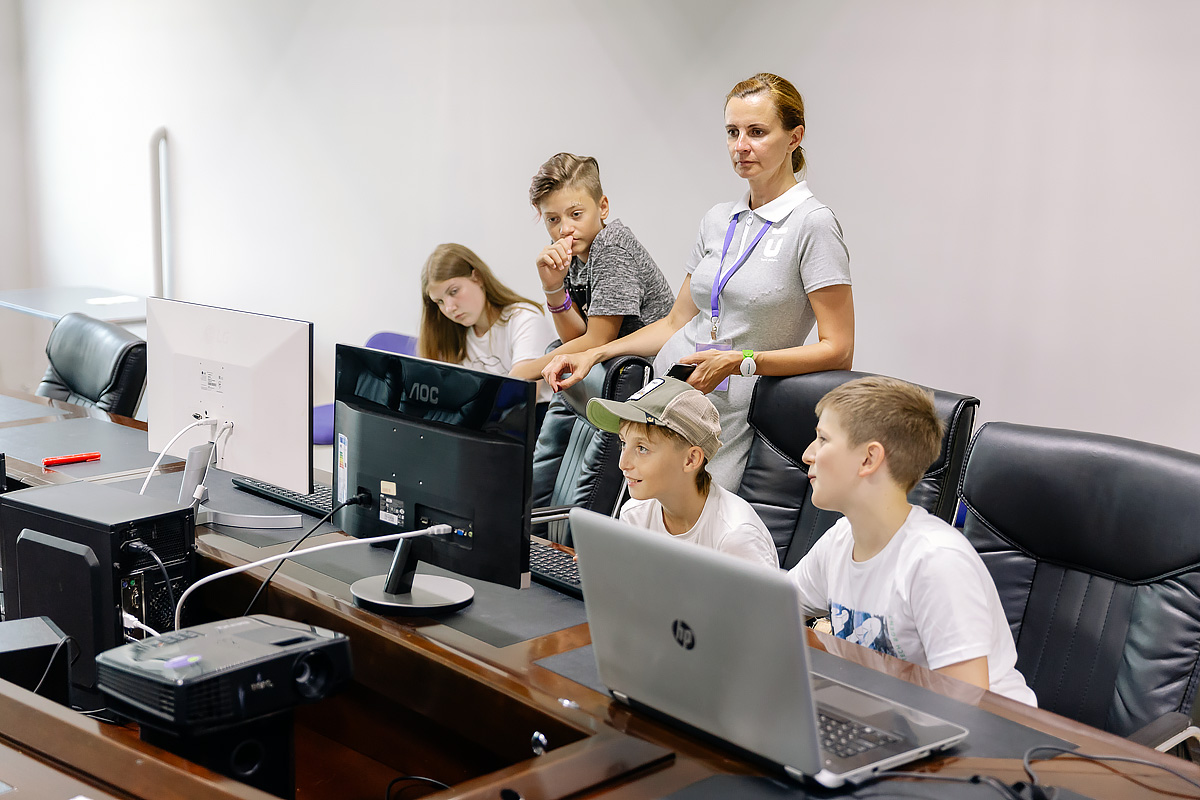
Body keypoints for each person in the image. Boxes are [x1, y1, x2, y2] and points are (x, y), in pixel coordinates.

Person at [542, 74, 854, 492]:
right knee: (636, 518)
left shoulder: (812, 224)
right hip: (663, 396)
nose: (741, 146)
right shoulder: (718, 219)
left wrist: (741, 361)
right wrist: (593, 353)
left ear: (794, 137)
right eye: (732, 132)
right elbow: (676, 323)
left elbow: (839, 349)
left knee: (696, 522)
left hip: (725, 419)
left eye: (757, 132)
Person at [788, 376, 1037, 705]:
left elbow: (965, 708)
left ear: (868, 459)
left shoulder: (937, 561)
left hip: (991, 730)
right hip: (889, 715)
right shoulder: (840, 539)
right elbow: (771, 611)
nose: (808, 454)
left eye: (823, 439)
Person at [585, 376, 779, 570]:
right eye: (623, 443)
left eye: (642, 448)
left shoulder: (736, 536)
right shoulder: (635, 515)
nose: (623, 464)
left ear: (691, 459)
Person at [522, 153, 674, 376]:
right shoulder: (567, 252)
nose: (565, 229)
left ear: (602, 207)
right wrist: (553, 288)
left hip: (652, 375)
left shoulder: (611, 246)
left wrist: (522, 373)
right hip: (609, 373)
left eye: (576, 214)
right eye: (553, 219)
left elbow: (598, 340)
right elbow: (575, 339)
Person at [419, 243, 555, 404]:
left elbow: (519, 399)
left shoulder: (524, 319)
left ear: (477, 277)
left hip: (536, 416)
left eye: (454, 291)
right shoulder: (452, 333)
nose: (449, 308)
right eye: (439, 301)